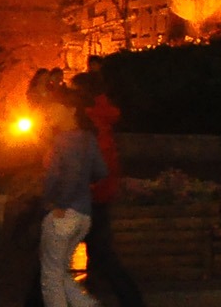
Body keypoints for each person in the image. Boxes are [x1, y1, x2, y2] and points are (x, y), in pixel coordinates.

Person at [72, 71, 147, 307]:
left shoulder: (90, 122)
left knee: (64, 254)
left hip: (90, 197)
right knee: (100, 252)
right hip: (97, 196)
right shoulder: (99, 118)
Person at [39, 88, 108, 307]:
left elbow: (54, 177)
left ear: (70, 110)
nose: (49, 115)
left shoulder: (61, 141)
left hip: (63, 213)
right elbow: (101, 171)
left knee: (50, 276)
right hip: (83, 214)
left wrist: (54, 202)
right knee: (60, 272)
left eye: (53, 110)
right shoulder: (88, 139)